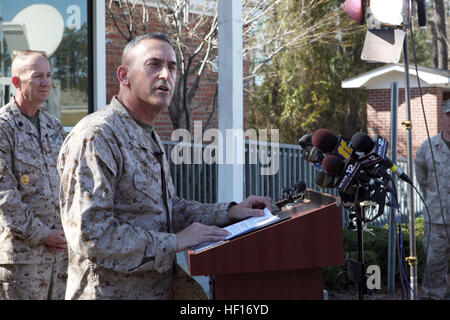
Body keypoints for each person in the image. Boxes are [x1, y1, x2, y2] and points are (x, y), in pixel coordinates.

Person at [58, 33, 272, 300]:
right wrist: (175, 241)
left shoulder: (149, 135)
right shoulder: (97, 136)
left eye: (171, 67)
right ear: (124, 76)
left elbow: (169, 210)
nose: (165, 75)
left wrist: (229, 212)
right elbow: (89, 234)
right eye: (154, 65)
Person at [0, 50, 68, 300]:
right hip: (23, 262)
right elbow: (5, 197)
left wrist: (66, 234)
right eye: (37, 76)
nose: (46, 82)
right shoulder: (3, 128)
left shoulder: (54, 126)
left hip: (60, 259)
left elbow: (70, 186)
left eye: (49, 75)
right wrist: (44, 235)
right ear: (17, 82)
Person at [415, 99, 450, 300]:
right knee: (434, 265)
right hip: (437, 217)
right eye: (449, 115)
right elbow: (421, 176)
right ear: (442, 117)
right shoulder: (429, 146)